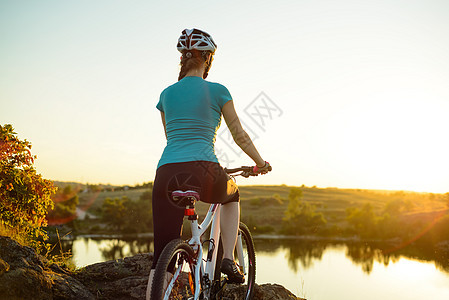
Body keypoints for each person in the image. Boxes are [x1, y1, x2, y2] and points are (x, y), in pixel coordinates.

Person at [146, 28, 271, 299]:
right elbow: (239, 134)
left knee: (161, 259)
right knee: (232, 193)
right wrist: (260, 163)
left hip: (166, 173)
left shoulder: (166, 94)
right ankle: (228, 258)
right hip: (204, 170)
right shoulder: (218, 90)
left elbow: (171, 138)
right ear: (207, 59)